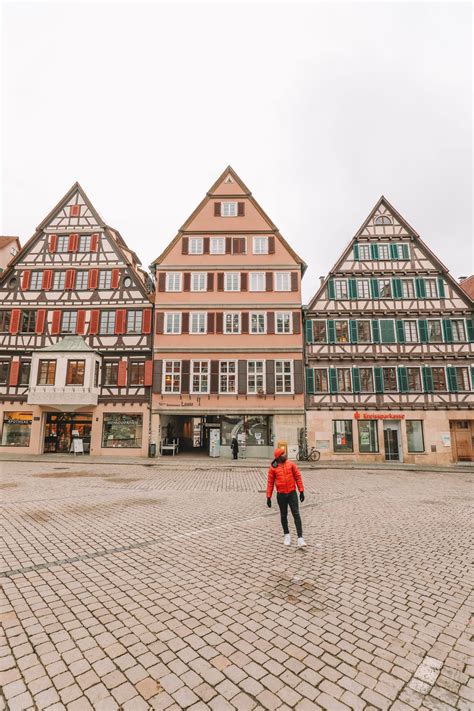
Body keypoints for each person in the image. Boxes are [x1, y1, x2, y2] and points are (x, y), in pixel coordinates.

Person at [266, 447, 306, 547]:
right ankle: (287, 535)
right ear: (279, 457)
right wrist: (268, 496)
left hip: (292, 493)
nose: (285, 455)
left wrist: (301, 491)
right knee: (283, 515)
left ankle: (300, 538)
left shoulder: (291, 464)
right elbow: (270, 482)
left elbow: (297, 476)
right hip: (281, 495)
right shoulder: (273, 468)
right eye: (283, 454)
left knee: (296, 514)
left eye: (285, 453)